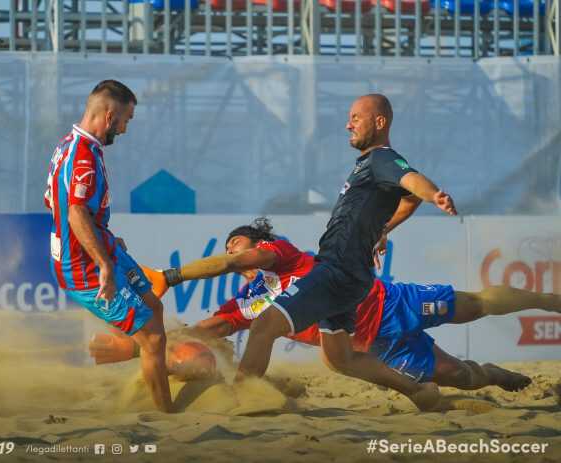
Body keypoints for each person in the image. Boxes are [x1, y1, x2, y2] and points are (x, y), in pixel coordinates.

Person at [92, 220, 558, 395]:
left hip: (388, 302)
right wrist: (140, 346)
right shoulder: (248, 305)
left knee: (475, 305)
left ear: (258, 243)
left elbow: (236, 260)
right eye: (229, 249)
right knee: (462, 377)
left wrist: (173, 275)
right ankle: (495, 374)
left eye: (238, 244)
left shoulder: (280, 253)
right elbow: (205, 330)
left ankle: (549, 300)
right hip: (373, 348)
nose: (233, 254)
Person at [219, 94, 459, 410]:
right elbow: (408, 196)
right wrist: (385, 228)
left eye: (356, 118)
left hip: (338, 271)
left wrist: (434, 194)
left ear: (379, 122)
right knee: (339, 359)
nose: (348, 124)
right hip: (350, 275)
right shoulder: (370, 165)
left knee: (265, 325)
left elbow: (411, 180)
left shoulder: (381, 159)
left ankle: (239, 402)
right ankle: (417, 392)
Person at [44, 80, 173, 412]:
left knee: (155, 310)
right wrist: (102, 263)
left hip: (101, 248)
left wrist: (103, 236)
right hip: (84, 266)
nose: (125, 129)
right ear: (110, 115)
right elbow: (74, 213)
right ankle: (166, 415)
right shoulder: (82, 156)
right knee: (153, 337)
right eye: (126, 120)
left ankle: (155, 385)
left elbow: (57, 203)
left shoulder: (70, 145)